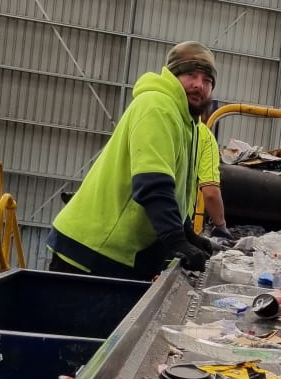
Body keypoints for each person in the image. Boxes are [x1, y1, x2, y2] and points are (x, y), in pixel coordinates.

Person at [46, 41, 219, 280]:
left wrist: (188, 233)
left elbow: (178, 189)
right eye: (191, 75)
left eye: (207, 80)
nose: (199, 85)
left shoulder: (189, 123)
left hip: (116, 253)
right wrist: (176, 240)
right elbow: (153, 184)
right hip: (92, 250)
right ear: (173, 75)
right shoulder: (157, 107)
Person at [197, 119, 233, 239]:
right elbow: (211, 193)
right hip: (167, 222)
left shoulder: (140, 109)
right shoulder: (202, 134)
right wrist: (221, 227)